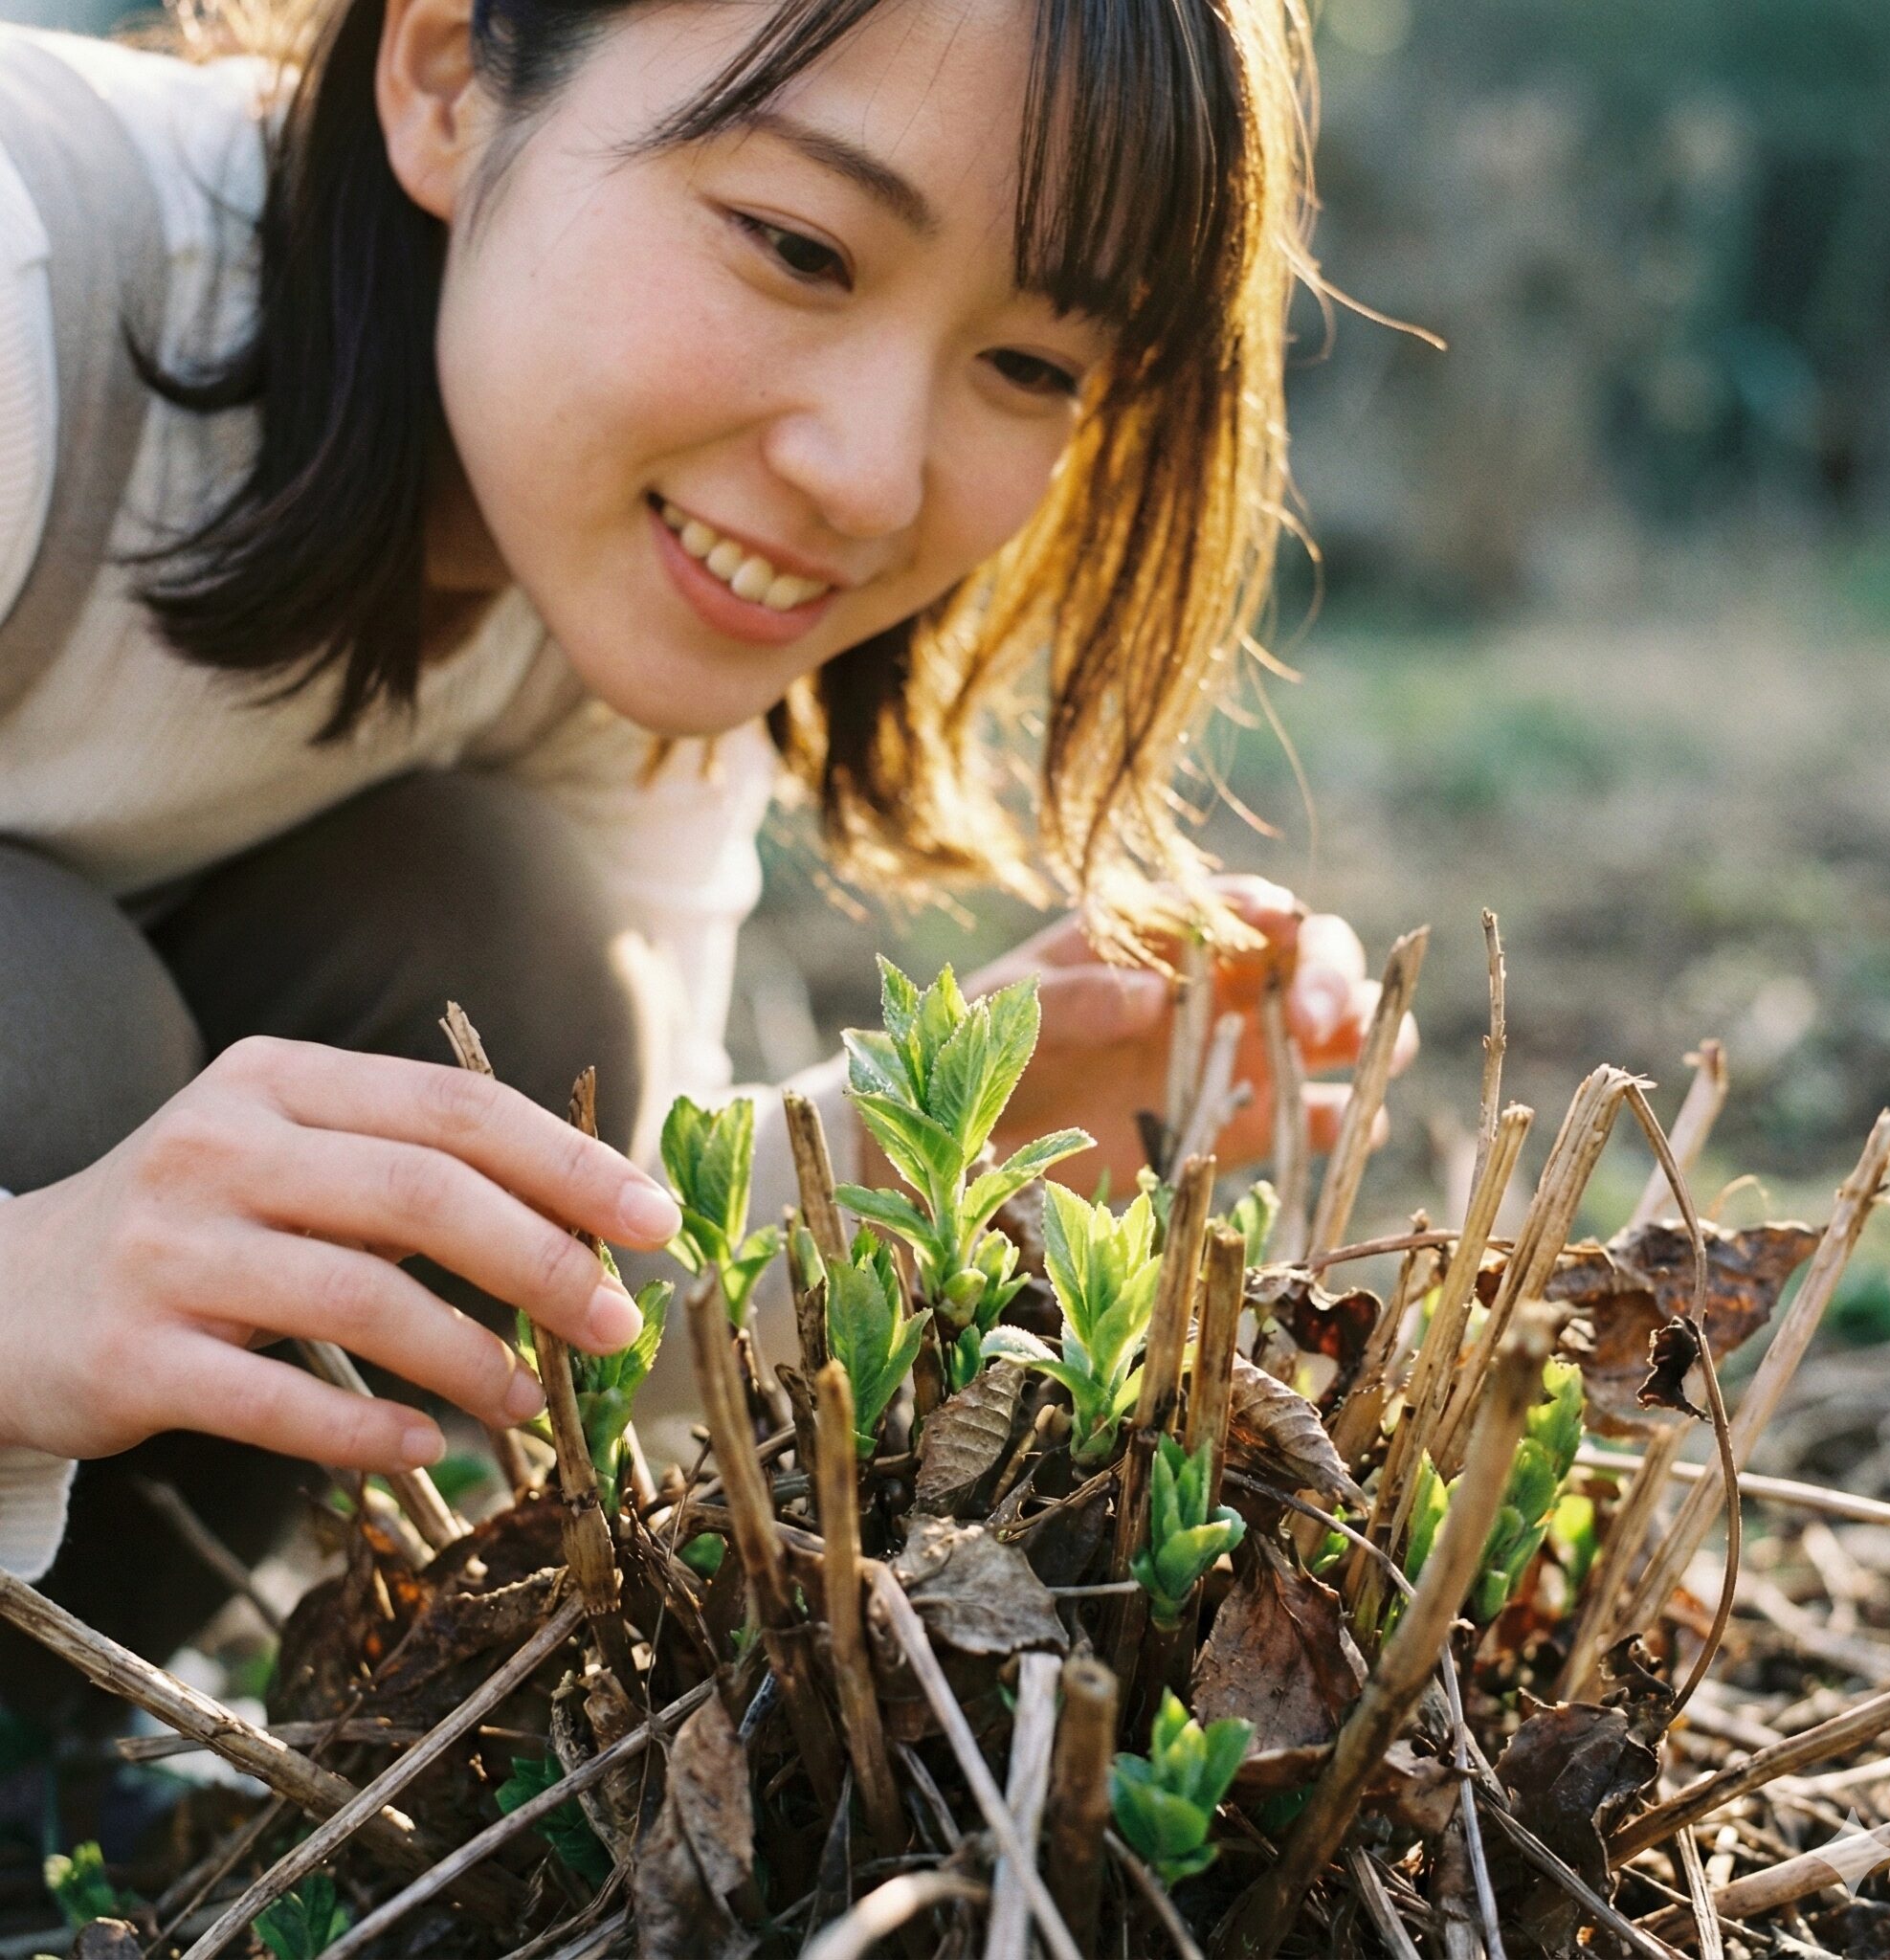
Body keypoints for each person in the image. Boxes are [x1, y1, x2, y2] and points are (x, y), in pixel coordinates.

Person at [0, 0, 1413, 1682]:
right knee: (49, 1026)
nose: (870, 478)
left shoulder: (619, 584)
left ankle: (64, 1757)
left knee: (498, 937)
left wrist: (900, 1165)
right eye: (801, 248)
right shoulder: (33, 283)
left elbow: (581, 1289)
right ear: (448, 73)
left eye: (1032, 365)